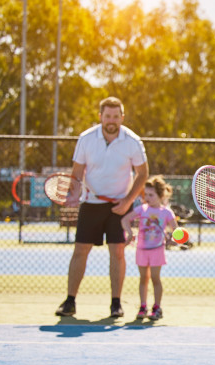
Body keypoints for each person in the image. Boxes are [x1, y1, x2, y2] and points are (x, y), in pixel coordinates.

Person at [55, 96, 149, 318]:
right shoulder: (86, 139)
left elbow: (143, 174)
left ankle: (116, 304)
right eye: (108, 116)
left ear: (122, 117)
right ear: (100, 117)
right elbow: (77, 173)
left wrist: (127, 201)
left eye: (116, 116)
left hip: (119, 206)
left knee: (117, 252)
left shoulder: (132, 141)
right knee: (80, 251)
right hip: (91, 204)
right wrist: (73, 194)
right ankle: (70, 301)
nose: (112, 120)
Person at [121, 175, 178, 321]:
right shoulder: (142, 209)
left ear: (160, 195)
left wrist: (173, 239)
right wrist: (129, 233)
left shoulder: (166, 212)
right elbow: (125, 219)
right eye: (145, 194)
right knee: (143, 279)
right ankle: (143, 306)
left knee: (155, 278)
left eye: (151, 195)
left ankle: (157, 307)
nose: (147, 197)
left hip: (157, 250)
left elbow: (176, 230)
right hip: (142, 249)